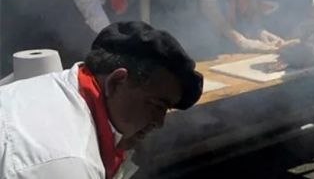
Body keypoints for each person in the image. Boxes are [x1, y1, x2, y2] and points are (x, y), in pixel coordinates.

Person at [0, 21, 203, 179]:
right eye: (157, 105)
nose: (159, 122)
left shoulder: (60, 86)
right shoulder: (68, 162)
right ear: (116, 82)